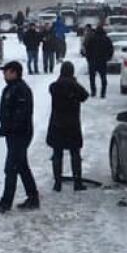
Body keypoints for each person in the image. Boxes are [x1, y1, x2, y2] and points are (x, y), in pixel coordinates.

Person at [0, 61, 39, 214]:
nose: (4, 74)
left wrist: (12, 128)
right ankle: (33, 198)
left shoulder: (20, 90)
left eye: (7, 72)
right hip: (14, 135)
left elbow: (21, 114)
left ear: (15, 72)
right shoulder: (11, 88)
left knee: (11, 168)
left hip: (20, 135)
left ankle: (6, 202)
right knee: (21, 166)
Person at [47, 61, 89, 192]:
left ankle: (57, 183)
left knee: (57, 154)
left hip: (57, 124)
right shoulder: (75, 86)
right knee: (75, 153)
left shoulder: (54, 86)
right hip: (72, 125)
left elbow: (53, 89)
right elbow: (85, 96)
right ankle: (77, 182)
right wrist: (73, 83)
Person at [85, 26, 114, 98]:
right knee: (103, 78)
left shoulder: (92, 39)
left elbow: (87, 49)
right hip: (102, 61)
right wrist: (108, 58)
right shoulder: (106, 39)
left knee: (92, 78)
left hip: (93, 60)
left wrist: (88, 59)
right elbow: (111, 49)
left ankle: (93, 91)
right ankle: (103, 93)